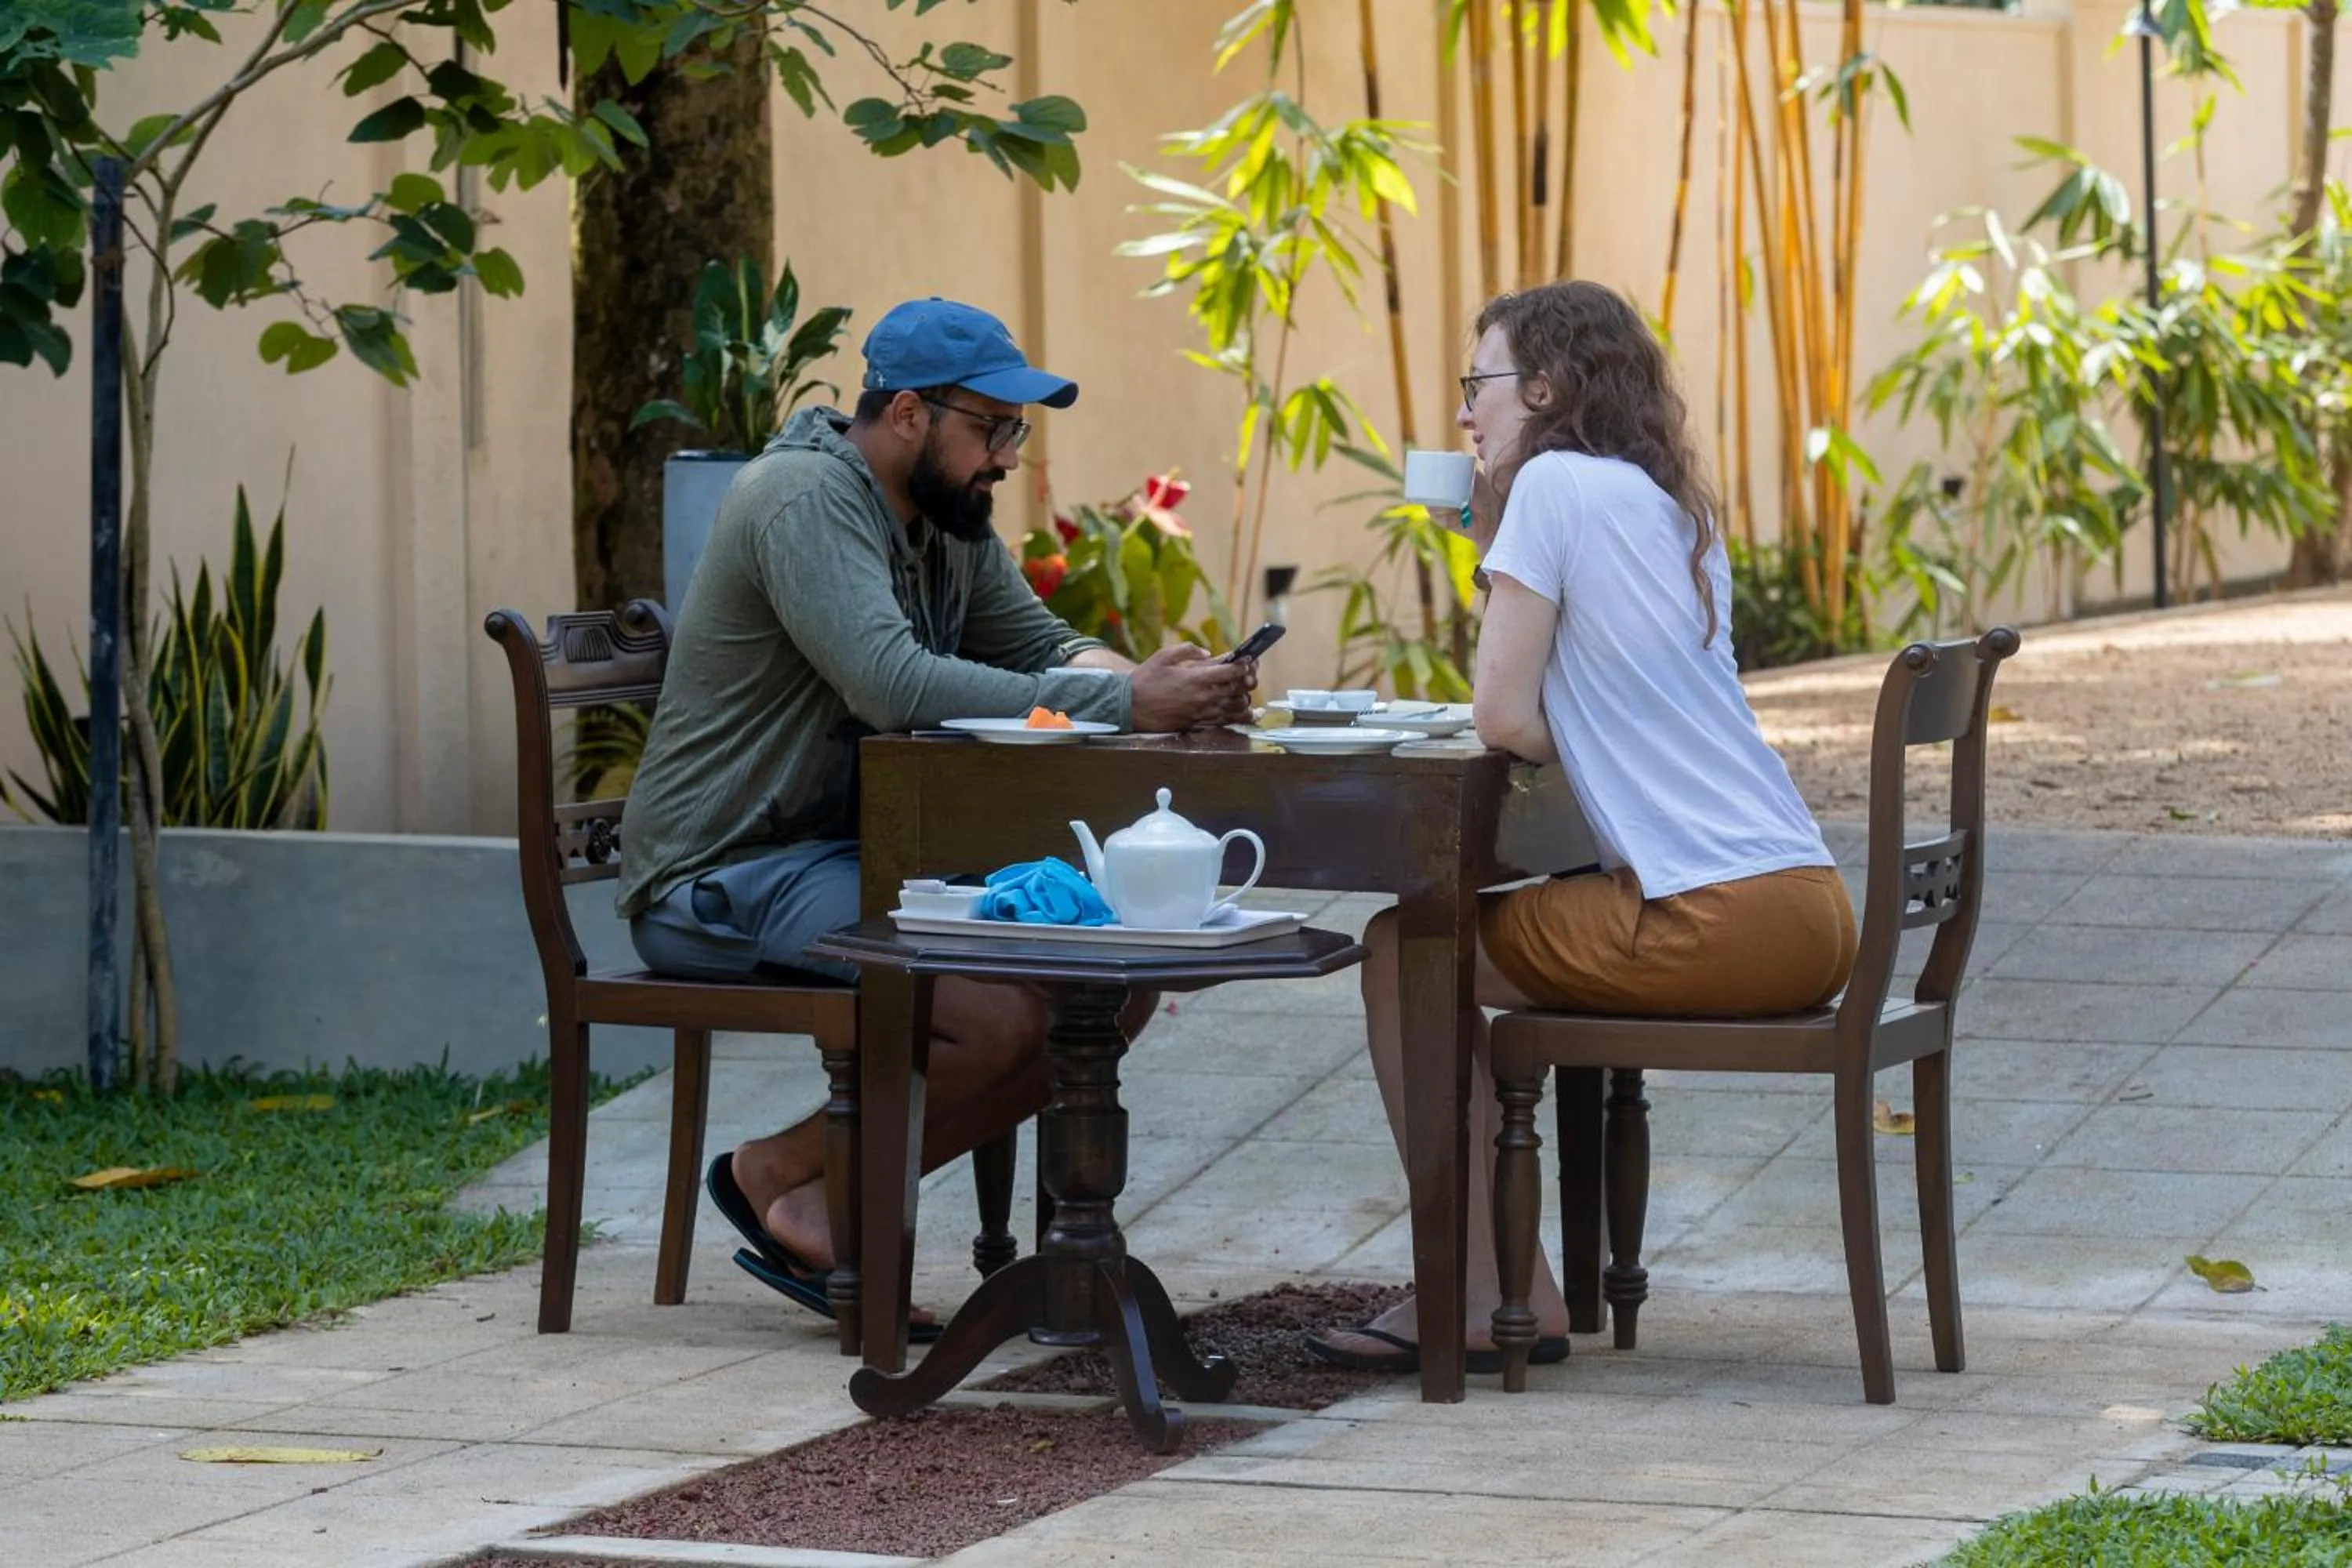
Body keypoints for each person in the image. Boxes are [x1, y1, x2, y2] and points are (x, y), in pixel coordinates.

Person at [617, 297, 1257, 1330]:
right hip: (723, 870)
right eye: (991, 428)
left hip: (853, 858)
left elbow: (1045, 646)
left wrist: (1163, 687)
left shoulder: (947, 524)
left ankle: (789, 1176)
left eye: (1017, 431)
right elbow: (890, 681)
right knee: (999, 1012)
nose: (1006, 456)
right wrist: (1127, 701)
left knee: (1109, 980)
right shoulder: (802, 498)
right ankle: (812, 1196)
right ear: (908, 414)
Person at [1308, 281, 1858, 1374]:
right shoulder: (1661, 502)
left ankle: (1476, 1293)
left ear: (1547, 387)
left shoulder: (1556, 485)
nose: (1467, 413)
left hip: (1712, 918)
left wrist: (1573, 723)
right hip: (1809, 906)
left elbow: (1502, 715)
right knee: (1450, 939)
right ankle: (1520, 1284)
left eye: (1482, 385)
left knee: (1400, 951)